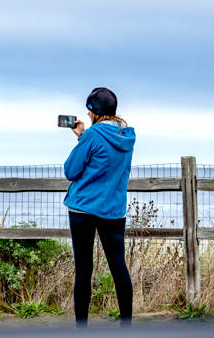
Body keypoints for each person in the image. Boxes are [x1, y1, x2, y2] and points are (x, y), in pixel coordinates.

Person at [63, 87, 136, 328]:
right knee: (119, 266)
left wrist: (82, 137)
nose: (87, 113)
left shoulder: (93, 135)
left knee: (83, 270)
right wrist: (84, 136)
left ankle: (81, 329)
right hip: (114, 210)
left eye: (89, 109)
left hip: (83, 209)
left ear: (95, 112)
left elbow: (71, 170)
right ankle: (127, 326)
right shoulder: (126, 136)